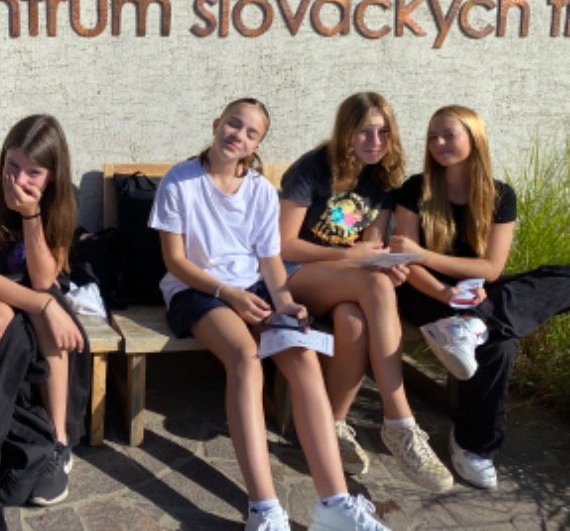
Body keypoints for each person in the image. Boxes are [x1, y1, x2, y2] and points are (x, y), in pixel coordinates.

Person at [151, 98, 387, 531]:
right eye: (233, 124)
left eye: (251, 133)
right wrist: (228, 294)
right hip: (198, 290)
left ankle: (334, 505)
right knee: (245, 358)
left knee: (302, 356)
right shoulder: (180, 181)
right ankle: (264, 509)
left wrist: (284, 301)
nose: (238, 135)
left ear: (257, 144)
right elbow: (175, 261)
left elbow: (269, 258)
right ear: (216, 123)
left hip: (255, 289)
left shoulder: (260, 189)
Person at [278, 92, 453, 492]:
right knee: (374, 284)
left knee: (353, 322)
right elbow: (283, 245)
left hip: (348, 279)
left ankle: (331, 425)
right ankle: (400, 421)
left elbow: (371, 242)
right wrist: (350, 257)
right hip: (296, 275)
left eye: (384, 132)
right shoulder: (312, 169)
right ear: (346, 132)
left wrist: (382, 262)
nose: (375, 142)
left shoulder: (382, 176)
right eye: (365, 132)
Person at [390, 105, 570, 490]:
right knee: (501, 344)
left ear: (474, 138)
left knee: (562, 280)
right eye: (432, 136)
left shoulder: (500, 195)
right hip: (425, 291)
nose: (438, 143)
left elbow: (490, 269)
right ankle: (475, 446)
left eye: (448, 134)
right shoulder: (416, 189)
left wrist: (426, 256)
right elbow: (406, 261)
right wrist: (443, 288)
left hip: (476, 296)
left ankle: (476, 326)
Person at [0, 114, 85, 507]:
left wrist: (31, 214)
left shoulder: (64, 199)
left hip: (31, 288)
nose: (18, 180)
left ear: (53, 176)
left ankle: (58, 443)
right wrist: (45, 303)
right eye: (12, 165)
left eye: (33, 172)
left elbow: (44, 279)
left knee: (50, 321)